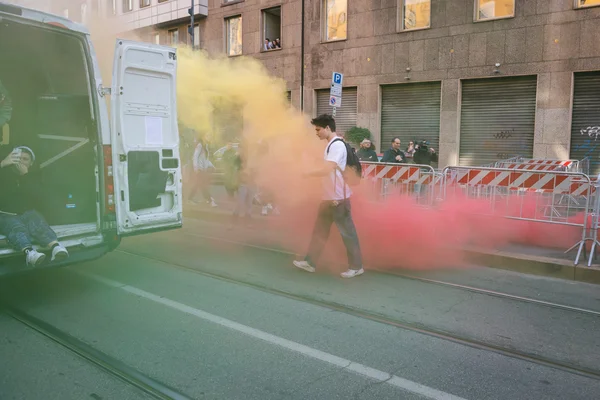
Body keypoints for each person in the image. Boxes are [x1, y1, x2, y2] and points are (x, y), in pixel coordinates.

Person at [293, 114, 364, 279]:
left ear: (327, 128)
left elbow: (328, 169)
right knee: (320, 231)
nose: (316, 133)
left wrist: (307, 173)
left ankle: (356, 266)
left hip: (338, 199)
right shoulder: (331, 145)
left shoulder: (337, 145)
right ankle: (310, 262)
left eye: (318, 129)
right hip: (329, 198)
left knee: (348, 233)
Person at [0, 146, 69, 266]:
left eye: (25, 159)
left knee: (38, 222)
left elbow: (38, 196)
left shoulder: (33, 177)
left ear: (31, 163)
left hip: (27, 213)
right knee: (16, 228)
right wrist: (3, 164)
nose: (21, 161)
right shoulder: (4, 173)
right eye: (18, 158)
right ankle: (30, 253)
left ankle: (56, 247)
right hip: (6, 215)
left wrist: (25, 175)